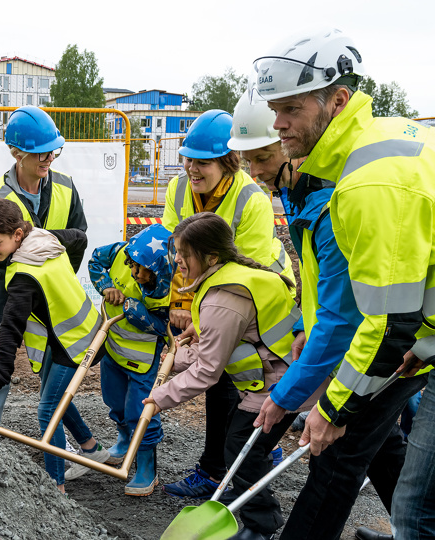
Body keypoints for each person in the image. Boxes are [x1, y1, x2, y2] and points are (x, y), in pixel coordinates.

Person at [252, 28, 433, 540]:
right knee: (416, 498)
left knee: (417, 509)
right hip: (424, 346)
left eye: (290, 109)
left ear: (337, 100)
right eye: (274, 108)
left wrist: (332, 408)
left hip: (417, 345)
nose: (277, 124)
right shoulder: (369, 152)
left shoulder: (370, 182)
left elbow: (390, 320)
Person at [233, 87, 407, 540]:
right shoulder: (299, 194)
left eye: (263, 159)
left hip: (390, 342)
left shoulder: (332, 203)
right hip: (376, 337)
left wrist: (286, 396)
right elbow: (320, 285)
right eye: (248, 161)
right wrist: (301, 325)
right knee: (384, 449)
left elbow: (342, 318)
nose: (256, 174)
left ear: (290, 151)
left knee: (334, 463)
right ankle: (415, 527)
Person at [143, 212, 323, 540]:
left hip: (281, 382)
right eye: (177, 252)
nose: (178, 261)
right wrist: (177, 358)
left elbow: (208, 370)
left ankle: (260, 524)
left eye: (185, 254)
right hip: (284, 373)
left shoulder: (223, 299)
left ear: (211, 257)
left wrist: (159, 397)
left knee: (241, 446)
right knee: (240, 441)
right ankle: (255, 509)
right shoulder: (233, 276)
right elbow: (217, 346)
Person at [160, 109, 293, 499]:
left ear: (228, 162)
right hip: (210, 292)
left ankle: (218, 468)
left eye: (202, 162)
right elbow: (176, 252)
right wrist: (180, 301)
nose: (192, 169)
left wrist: (199, 313)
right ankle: (245, 453)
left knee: (228, 375)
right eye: (188, 159)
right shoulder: (178, 189)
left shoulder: (250, 198)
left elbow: (238, 271)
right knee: (220, 374)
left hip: (256, 291)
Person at [0, 198, 107, 493]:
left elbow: (10, 330)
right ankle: (90, 448)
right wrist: (64, 276)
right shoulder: (45, 238)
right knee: (56, 399)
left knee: (48, 411)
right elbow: (80, 238)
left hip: (72, 344)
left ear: (18, 236)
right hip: (79, 330)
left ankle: (55, 487)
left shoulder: (23, 277)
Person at [0, 106, 88, 441]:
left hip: (51, 306)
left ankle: (85, 446)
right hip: (5, 305)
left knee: (51, 387)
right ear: (16, 153)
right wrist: (9, 324)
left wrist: (56, 286)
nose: (48, 158)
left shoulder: (65, 186)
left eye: (52, 151)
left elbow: (78, 236)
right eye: (39, 153)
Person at [64, 224, 173, 496]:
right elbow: (96, 261)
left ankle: (147, 466)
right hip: (112, 346)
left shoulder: (168, 286)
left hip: (142, 358)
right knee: (113, 400)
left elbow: (168, 327)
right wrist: (107, 286)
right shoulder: (120, 252)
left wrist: (134, 311)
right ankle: (125, 441)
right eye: (132, 266)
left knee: (141, 410)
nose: (135, 273)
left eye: (142, 270)